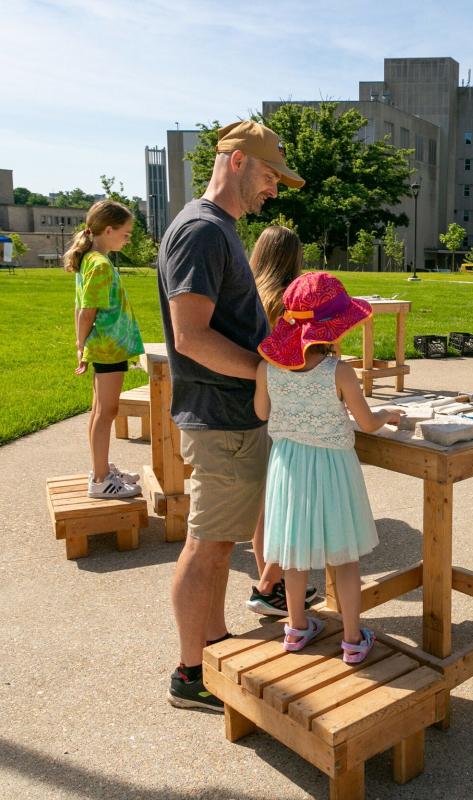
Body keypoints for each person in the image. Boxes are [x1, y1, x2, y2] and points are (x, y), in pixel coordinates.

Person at [158, 120, 305, 712]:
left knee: (217, 545)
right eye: (270, 175)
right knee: (210, 545)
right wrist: (270, 372)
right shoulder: (202, 231)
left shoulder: (217, 228)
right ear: (238, 161)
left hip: (232, 416)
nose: (274, 189)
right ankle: (191, 674)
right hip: (221, 419)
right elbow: (191, 337)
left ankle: (213, 647)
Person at [254, 271, 403, 658]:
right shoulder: (339, 372)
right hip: (333, 469)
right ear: (332, 329)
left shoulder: (267, 368)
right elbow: (367, 422)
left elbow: (260, 411)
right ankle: (353, 640)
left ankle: (296, 628)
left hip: (288, 466)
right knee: (344, 557)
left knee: (293, 552)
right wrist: (388, 412)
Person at [244, 225, 319, 615]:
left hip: (257, 403)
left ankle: (273, 583)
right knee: (290, 504)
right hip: (291, 411)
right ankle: (270, 584)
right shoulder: (292, 300)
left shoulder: (248, 293)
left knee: (267, 504)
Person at [63, 199, 144, 499]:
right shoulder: (99, 264)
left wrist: (80, 344)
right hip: (108, 348)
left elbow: (78, 307)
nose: (128, 237)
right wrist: (81, 344)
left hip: (105, 347)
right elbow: (87, 311)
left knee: (100, 410)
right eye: (125, 232)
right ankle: (100, 479)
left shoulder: (92, 260)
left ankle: (101, 469)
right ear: (108, 230)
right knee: (106, 411)